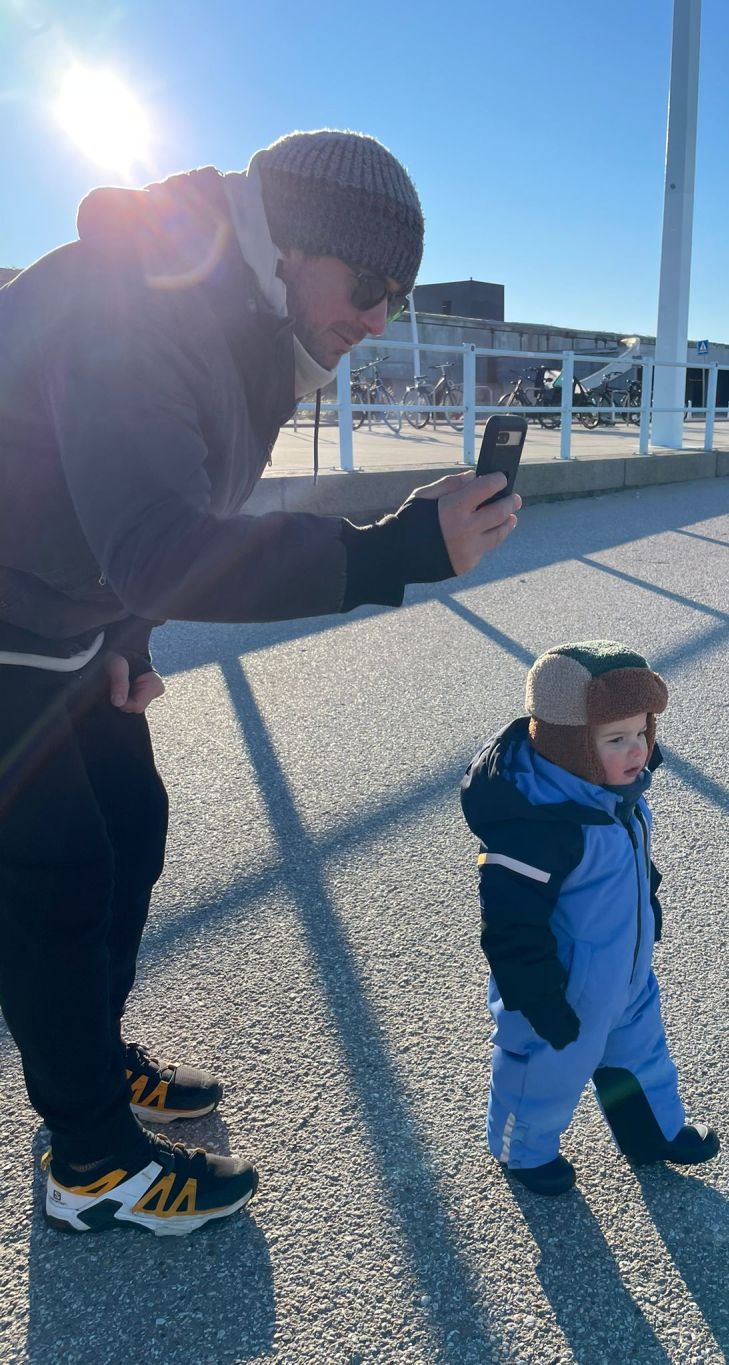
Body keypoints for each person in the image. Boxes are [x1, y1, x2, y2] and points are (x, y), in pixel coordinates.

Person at [0, 129, 521, 1237]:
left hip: (57, 610)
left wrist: (129, 639)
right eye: (368, 285)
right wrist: (394, 550)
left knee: (130, 819)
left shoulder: (256, 329)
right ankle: (88, 1162)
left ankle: (90, 1056)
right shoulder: (133, 304)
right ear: (288, 244)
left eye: (399, 297)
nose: (379, 318)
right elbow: (158, 539)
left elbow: (151, 505)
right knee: (55, 871)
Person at [460, 641, 719, 1196]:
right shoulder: (537, 824)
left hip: (625, 974)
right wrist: (538, 997)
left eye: (642, 733)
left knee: (643, 1055)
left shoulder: (618, 798)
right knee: (541, 1073)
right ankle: (523, 1153)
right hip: (561, 990)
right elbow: (510, 925)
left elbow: (632, 866)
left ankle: (652, 1132)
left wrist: (648, 906)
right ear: (569, 743)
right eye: (615, 739)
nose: (637, 750)